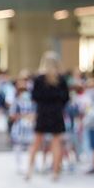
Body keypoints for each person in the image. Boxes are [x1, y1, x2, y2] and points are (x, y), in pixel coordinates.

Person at [26, 51, 69, 181]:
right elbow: (66, 98)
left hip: (43, 113)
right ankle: (55, 172)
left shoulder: (39, 79)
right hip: (56, 113)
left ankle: (29, 171)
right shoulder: (61, 79)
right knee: (56, 143)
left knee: (36, 143)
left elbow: (34, 97)